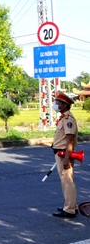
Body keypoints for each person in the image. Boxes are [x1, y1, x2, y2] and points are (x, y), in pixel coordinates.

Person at [51, 90, 79, 218]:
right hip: (60, 153)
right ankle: (71, 205)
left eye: (59, 103)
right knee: (67, 180)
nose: (56, 105)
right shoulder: (64, 118)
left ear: (65, 105)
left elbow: (69, 140)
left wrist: (67, 158)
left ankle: (69, 209)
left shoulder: (69, 119)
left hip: (64, 154)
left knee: (66, 180)